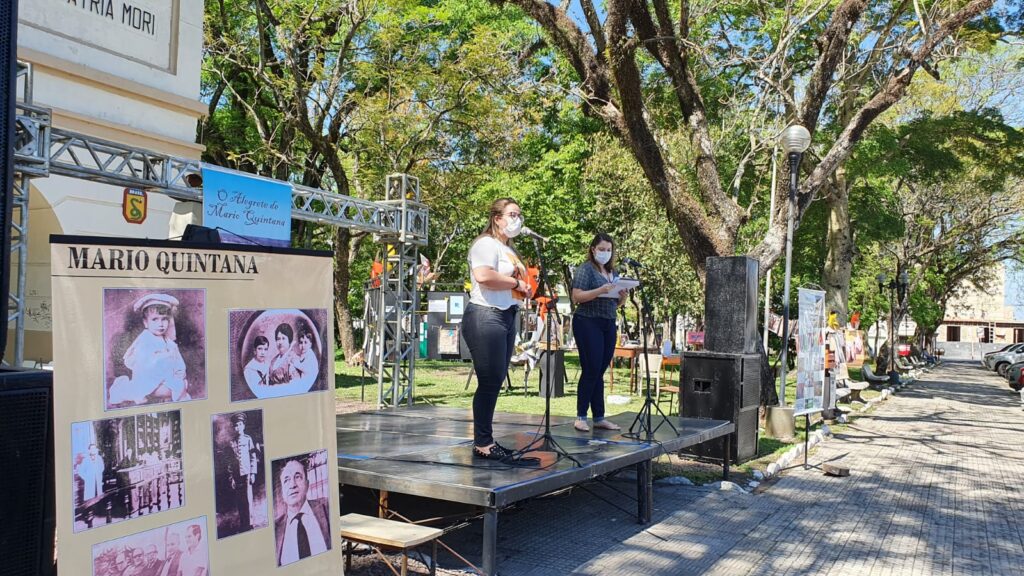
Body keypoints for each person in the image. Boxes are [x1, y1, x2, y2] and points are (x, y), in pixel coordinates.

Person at [462, 198, 533, 462]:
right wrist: (516, 281)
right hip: (485, 315)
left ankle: (486, 439)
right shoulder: (486, 244)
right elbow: (483, 276)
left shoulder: (508, 249)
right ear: (497, 218)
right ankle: (483, 442)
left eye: (519, 214)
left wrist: (523, 286)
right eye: (512, 214)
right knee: (490, 379)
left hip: (507, 315)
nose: (517, 219)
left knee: (497, 378)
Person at [571, 233, 628, 432]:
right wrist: (600, 290)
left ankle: (599, 417)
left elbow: (616, 303)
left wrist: (622, 297)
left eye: (608, 250)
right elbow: (577, 296)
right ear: (593, 249)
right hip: (587, 322)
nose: (605, 253)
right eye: (602, 249)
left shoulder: (612, 271)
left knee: (600, 370)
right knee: (591, 368)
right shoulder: (585, 269)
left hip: (608, 322)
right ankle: (580, 416)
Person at [108, 293, 189, 406]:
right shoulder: (144, 341)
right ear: (146, 322)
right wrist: (164, 381)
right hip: (149, 381)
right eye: (155, 319)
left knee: (182, 385)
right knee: (170, 389)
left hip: (165, 380)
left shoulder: (170, 343)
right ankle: (128, 390)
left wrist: (178, 376)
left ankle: (167, 396)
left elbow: (178, 363)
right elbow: (145, 368)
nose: (160, 324)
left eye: (164, 319)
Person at [274, 458, 331, 566]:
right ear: (281, 491)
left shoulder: (326, 508)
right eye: (286, 480)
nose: (292, 485)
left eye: (298, 477)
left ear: (307, 484)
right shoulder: (275, 529)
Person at [224, 412, 258, 533]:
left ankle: (250, 523)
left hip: (247, 473)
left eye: (240, 424)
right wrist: (232, 478)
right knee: (240, 500)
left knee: (248, 498)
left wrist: (253, 473)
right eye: (235, 426)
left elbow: (253, 457)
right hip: (237, 475)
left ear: (243, 425)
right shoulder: (232, 442)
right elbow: (230, 463)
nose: (238, 428)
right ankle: (244, 523)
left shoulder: (248, 439)